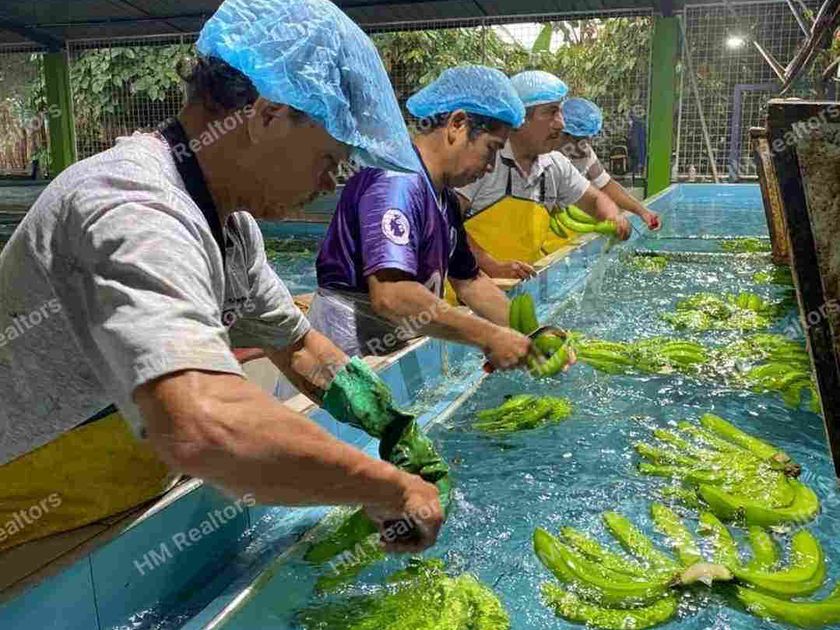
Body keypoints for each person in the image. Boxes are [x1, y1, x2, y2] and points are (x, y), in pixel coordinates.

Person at [0, 0, 446, 555]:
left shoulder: (233, 229)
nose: (329, 184)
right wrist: (388, 488)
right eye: (329, 160)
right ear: (268, 117)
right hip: (22, 518)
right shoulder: (132, 205)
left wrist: (392, 426)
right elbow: (202, 425)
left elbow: (299, 346)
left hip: (104, 500)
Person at [310, 66, 542, 368]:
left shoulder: (443, 197)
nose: (491, 166)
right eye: (491, 148)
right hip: (343, 356)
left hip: (387, 349)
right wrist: (489, 337)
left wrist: (533, 340)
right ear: (457, 124)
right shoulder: (395, 181)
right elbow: (392, 295)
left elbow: (470, 282)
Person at [456, 71, 630, 280]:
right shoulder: (484, 160)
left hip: (518, 285)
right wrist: (490, 265)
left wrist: (612, 216)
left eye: (561, 112)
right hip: (465, 290)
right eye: (551, 112)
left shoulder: (555, 165)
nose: (561, 123)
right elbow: (446, 223)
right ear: (520, 119)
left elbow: (595, 200)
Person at [555, 97, 660, 230]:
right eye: (578, 139)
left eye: (589, 138)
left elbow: (606, 185)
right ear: (559, 132)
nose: (585, 145)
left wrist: (642, 211)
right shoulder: (543, 158)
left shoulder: (585, 152)